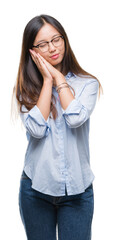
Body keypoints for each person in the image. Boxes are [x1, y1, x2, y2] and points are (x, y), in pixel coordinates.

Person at [13, 14, 102, 240]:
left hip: (78, 194)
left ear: (65, 40)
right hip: (35, 191)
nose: (52, 48)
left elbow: (75, 119)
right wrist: (48, 82)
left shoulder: (86, 84)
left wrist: (58, 78)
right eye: (43, 44)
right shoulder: (26, 89)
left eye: (57, 39)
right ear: (32, 51)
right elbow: (37, 130)